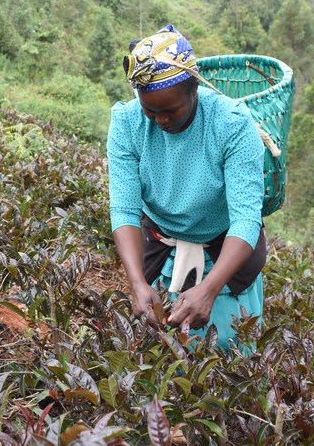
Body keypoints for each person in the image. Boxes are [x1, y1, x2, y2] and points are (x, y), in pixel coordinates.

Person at [106, 25, 266, 351]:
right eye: (149, 110)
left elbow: (246, 220)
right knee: (162, 358)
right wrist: (136, 283)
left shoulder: (231, 124)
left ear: (194, 87)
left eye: (170, 111)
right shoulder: (127, 122)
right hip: (160, 250)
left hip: (225, 256)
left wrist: (209, 289)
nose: (159, 120)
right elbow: (124, 209)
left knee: (231, 355)